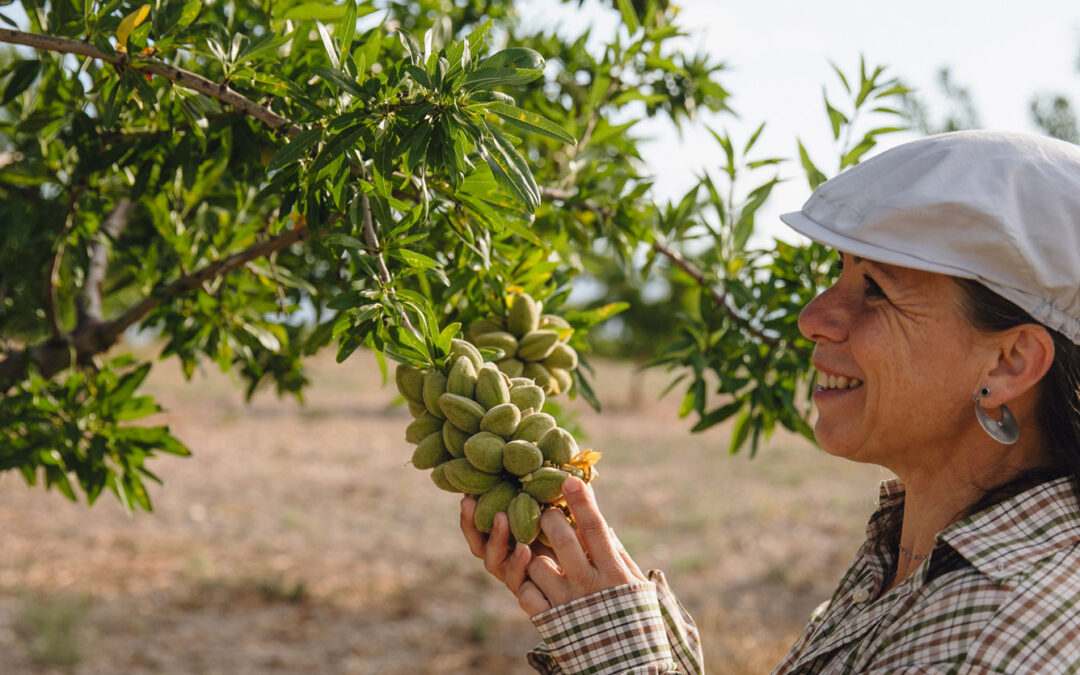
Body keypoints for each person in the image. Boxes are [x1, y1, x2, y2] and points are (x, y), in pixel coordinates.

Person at [460, 130, 1080, 673]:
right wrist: (619, 619)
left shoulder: (1010, 635)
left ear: (1009, 364)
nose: (814, 318)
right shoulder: (918, 549)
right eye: (836, 273)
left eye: (876, 290)